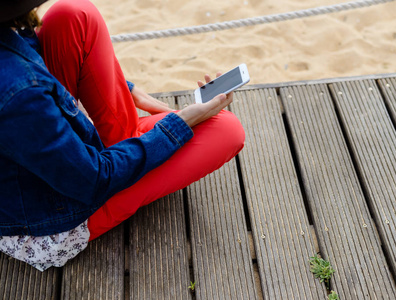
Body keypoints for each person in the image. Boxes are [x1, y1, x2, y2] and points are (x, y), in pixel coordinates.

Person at [0, 0, 245, 271]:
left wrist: (126, 87)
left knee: (73, 15)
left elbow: (33, 57)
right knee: (226, 130)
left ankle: (129, 144)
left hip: (50, 160)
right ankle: (133, 154)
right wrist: (179, 123)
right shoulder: (19, 92)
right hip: (50, 219)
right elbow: (91, 180)